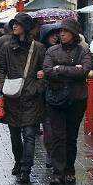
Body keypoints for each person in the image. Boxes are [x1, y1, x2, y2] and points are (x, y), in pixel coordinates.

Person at [43, 19, 93, 185]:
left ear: (74, 34)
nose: (62, 34)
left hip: (76, 98)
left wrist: (60, 68)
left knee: (71, 136)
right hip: (55, 98)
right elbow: (47, 71)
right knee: (59, 136)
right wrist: (72, 69)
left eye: (66, 31)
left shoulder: (83, 52)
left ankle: (69, 169)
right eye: (61, 31)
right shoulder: (52, 51)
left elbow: (85, 71)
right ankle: (58, 172)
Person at [0, 12, 47, 184]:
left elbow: (44, 71)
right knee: (15, 134)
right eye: (13, 24)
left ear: (26, 27)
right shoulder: (6, 47)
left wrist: (37, 87)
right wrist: (2, 85)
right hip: (13, 96)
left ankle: (26, 169)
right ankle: (18, 161)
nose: (14, 26)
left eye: (17, 24)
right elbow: (0, 68)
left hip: (32, 98)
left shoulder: (38, 48)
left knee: (30, 134)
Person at [38, 23, 61, 169]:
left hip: (59, 91)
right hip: (44, 92)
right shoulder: (40, 51)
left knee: (58, 127)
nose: (55, 37)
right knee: (47, 126)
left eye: (56, 34)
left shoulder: (61, 50)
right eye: (52, 34)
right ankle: (50, 153)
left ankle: (57, 155)